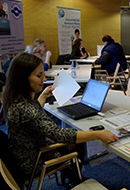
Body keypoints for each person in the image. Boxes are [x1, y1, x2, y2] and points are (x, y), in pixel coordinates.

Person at [3, 52, 118, 181]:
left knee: (75, 136)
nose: (44, 80)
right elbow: (59, 134)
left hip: (24, 155)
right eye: (39, 75)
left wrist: (42, 97)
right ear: (23, 78)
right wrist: (98, 134)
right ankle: (74, 178)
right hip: (35, 162)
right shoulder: (27, 110)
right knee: (76, 140)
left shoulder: (15, 100)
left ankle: (69, 173)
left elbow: (32, 118)